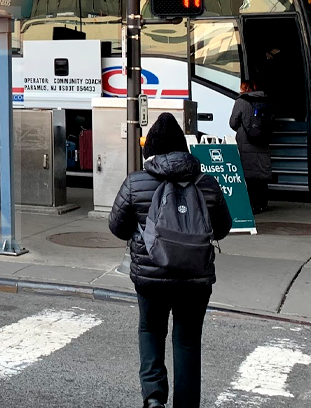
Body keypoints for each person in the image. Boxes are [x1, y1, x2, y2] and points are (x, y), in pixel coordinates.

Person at [108, 113, 232, 408]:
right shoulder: (208, 184)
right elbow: (223, 228)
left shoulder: (135, 183)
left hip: (151, 277)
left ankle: (153, 399)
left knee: (150, 330)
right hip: (195, 279)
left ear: (149, 151)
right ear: (183, 149)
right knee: (187, 342)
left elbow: (116, 226)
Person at [229, 80, 273, 213]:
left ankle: (253, 204)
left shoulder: (241, 101)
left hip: (246, 142)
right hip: (263, 141)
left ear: (244, 88)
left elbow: (233, 123)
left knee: (249, 174)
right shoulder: (265, 100)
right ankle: (263, 203)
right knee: (261, 172)